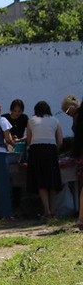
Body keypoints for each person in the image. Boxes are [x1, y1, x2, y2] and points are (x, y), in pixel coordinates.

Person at [26, 101, 63, 219]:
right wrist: (54, 149)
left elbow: (28, 140)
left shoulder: (31, 120)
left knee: (41, 181)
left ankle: (46, 211)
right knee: (52, 180)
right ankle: (53, 210)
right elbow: (60, 141)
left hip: (36, 150)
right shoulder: (55, 120)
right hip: (51, 149)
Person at [61, 94, 83, 229]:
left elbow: (79, 138)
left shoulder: (78, 118)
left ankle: (81, 219)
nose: (67, 114)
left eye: (67, 111)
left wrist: (74, 154)